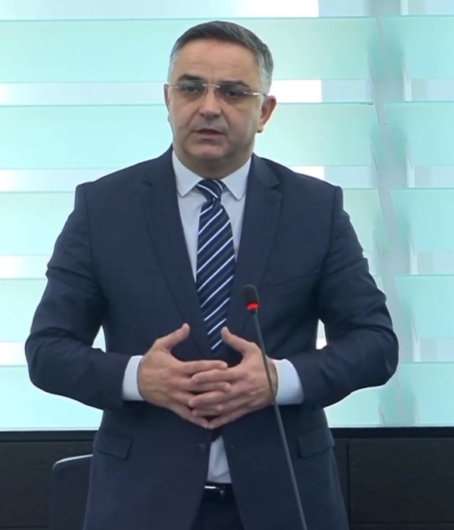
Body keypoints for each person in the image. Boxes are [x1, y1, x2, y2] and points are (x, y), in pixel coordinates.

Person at [25, 20, 398, 530]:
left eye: (233, 92)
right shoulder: (104, 207)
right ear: (168, 99)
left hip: (285, 501)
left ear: (264, 111)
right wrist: (137, 378)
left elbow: (375, 344)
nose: (208, 107)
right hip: (142, 505)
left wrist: (281, 379)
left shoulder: (314, 209)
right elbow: (47, 351)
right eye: (191, 87)